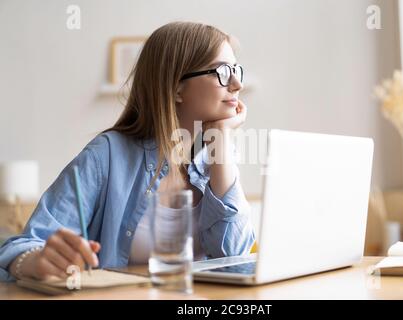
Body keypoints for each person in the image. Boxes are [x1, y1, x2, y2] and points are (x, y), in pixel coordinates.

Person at [0, 21, 255, 281]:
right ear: (177, 87)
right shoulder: (107, 155)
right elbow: (22, 246)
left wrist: (221, 140)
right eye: (222, 71)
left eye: (236, 70)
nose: (236, 84)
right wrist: (37, 262)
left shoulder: (216, 157)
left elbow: (235, 259)